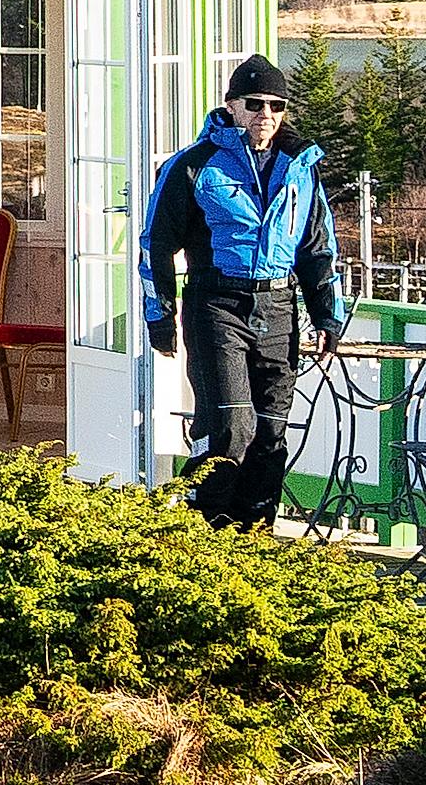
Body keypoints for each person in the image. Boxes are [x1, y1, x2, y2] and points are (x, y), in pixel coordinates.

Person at [143, 54, 335, 531]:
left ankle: (255, 539)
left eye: (276, 105)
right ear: (231, 106)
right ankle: (201, 530)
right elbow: (156, 243)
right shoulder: (193, 165)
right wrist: (159, 314)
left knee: (270, 433)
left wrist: (326, 316)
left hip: (279, 306)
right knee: (230, 427)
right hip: (216, 304)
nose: (265, 114)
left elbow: (317, 246)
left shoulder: (300, 167)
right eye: (254, 104)